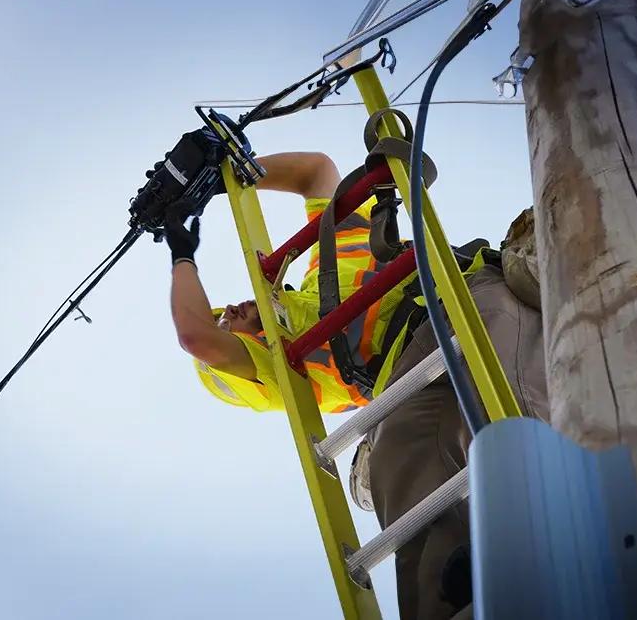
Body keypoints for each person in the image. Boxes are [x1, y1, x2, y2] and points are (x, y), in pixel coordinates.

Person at [165, 151, 547, 620]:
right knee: (396, 457)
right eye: (227, 322)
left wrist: (223, 181)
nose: (229, 312)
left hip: (464, 297)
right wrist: (181, 253)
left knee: (504, 389)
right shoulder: (285, 370)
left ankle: (553, 520)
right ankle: (453, 598)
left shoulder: (327, 265)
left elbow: (317, 173)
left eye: (224, 310)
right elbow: (196, 336)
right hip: (410, 370)